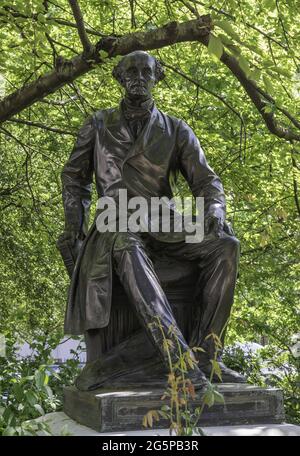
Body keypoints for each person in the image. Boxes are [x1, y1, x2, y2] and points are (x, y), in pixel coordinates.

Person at [59, 51, 246, 389]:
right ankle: (178, 359)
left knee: (226, 246)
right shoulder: (98, 124)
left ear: (157, 77)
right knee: (126, 242)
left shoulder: (175, 129)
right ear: (119, 76)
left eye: (146, 71)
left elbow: (206, 181)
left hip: (165, 223)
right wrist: (74, 221)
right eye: (131, 70)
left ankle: (205, 355)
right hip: (113, 221)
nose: (139, 77)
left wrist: (215, 212)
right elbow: (74, 176)